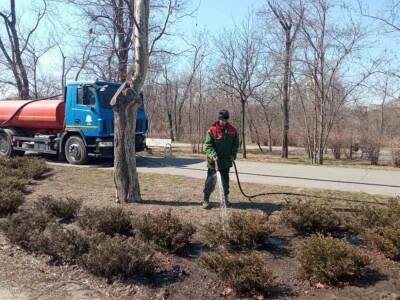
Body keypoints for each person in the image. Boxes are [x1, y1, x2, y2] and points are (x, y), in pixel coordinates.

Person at [202, 109, 239, 209]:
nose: (224, 122)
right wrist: (212, 154)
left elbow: (235, 144)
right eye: (222, 120)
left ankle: (225, 199)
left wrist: (233, 154)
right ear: (219, 119)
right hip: (213, 163)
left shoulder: (232, 130)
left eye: (226, 120)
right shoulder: (212, 130)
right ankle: (206, 200)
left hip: (226, 162)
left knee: (225, 183)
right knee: (210, 183)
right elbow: (208, 145)